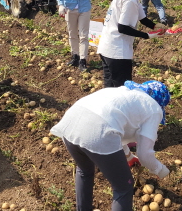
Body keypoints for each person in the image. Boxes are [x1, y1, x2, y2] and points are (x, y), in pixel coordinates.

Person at [50, 81, 171, 211]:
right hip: (97, 131)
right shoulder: (154, 108)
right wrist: (160, 170)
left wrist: (129, 157)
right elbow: (144, 154)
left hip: (70, 123)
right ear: (161, 102)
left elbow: (116, 129)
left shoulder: (125, 93)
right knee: (123, 187)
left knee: (84, 170)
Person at [97, 0, 165, 87]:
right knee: (122, 91)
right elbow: (122, 27)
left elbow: (142, 18)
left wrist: (155, 26)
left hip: (107, 47)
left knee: (109, 90)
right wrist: (147, 36)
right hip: (117, 51)